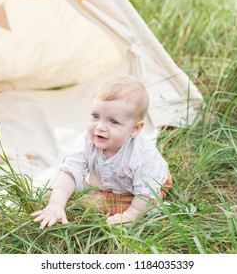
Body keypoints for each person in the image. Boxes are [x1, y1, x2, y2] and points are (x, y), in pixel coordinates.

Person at [31, 74, 172, 228]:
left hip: (148, 187)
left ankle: (147, 208)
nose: (100, 127)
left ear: (135, 129)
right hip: (109, 184)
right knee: (59, 191)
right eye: (95, 116)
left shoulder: (142, 156)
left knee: (135, 202)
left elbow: (145, 193)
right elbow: (71, 171)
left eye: (113, 121)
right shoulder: (88, 140)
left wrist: (129, 216)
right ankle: (90, 199)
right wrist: (56, 204)